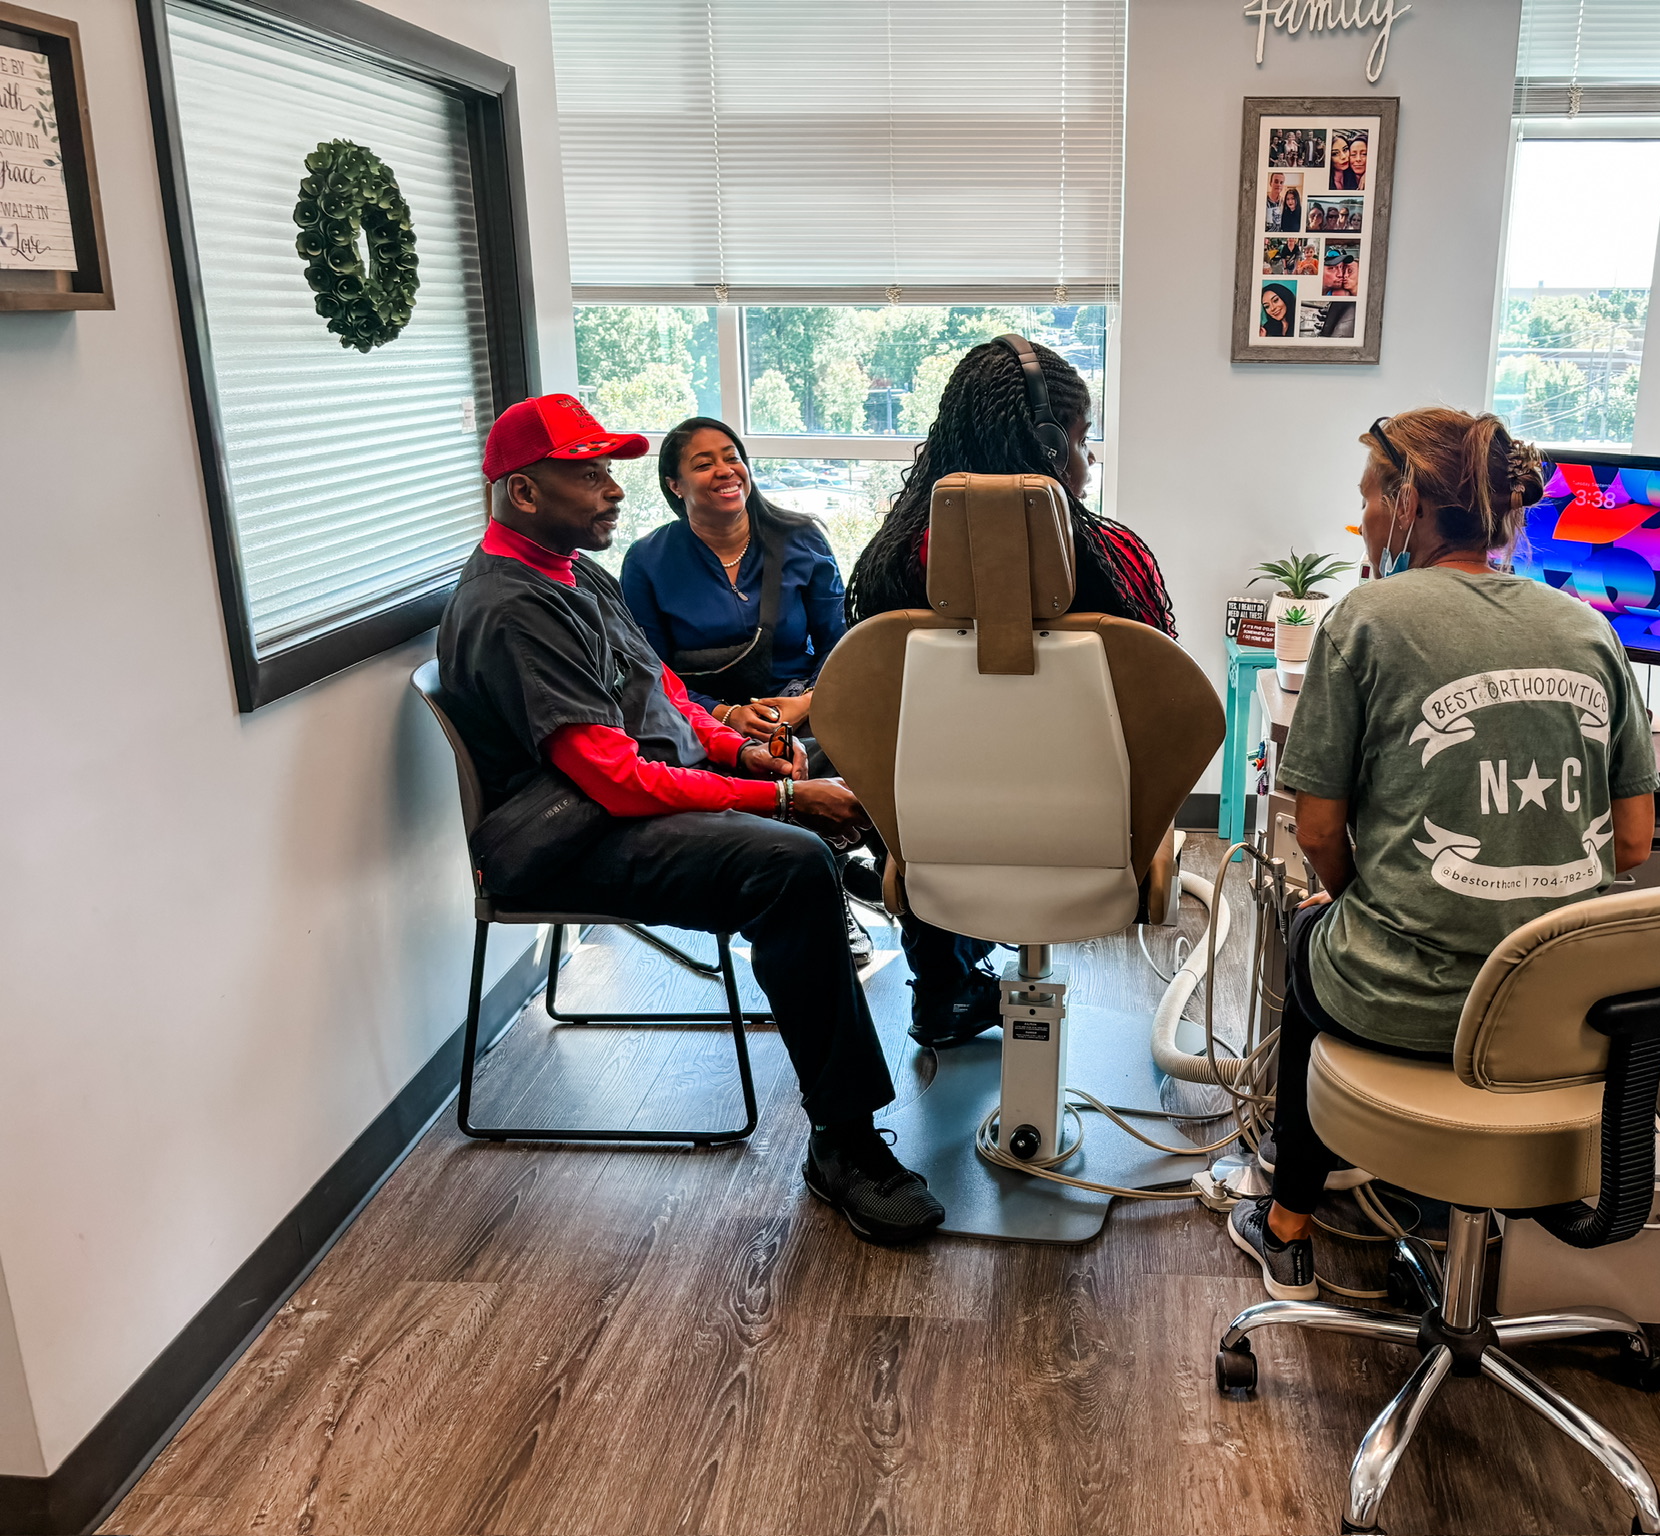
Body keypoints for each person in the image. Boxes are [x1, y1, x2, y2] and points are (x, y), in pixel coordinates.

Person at [436, 393, 945, 1246]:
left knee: (838, 808)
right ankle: (845, 1146)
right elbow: (617, 782)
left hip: (615, 804)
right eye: (589, 472)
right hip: (565, 839)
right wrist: (784, 799)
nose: (613, 488)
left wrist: (740, 753)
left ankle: (944, 986)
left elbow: (660, 692)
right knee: (790, 867)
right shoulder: (513, 607)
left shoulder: (569, 567)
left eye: (611, 468)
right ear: (524, 493)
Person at [1225, 407, 1660, 1301]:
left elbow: (1314, 832)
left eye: (1369, 503)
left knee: (1311, 935)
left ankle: (1288, 1223)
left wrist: (1350, 899)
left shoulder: (1369, 619)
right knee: (1330, 930)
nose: (1364, 525)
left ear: (1409, 498)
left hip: (1407, 1006)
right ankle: (1438, 1209)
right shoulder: (1590, 632)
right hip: (1558, 1020)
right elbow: (1638, 841)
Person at [846, 338, 1177, 1049]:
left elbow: (875, 730)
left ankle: (944, 990)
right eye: (1083, 440)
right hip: (1095, 843)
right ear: (1052, 447)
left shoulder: (890, 568)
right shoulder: (1116, 565)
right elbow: (1161, 719)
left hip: (935, 855)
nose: (1086, 460)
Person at [619, 416, 875, 961]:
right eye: (703, 462)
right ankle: (829, 889)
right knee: (791, 766)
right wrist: (726, 714)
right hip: (704, 724)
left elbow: (842, 643)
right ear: (674, 485)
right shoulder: (647, 561)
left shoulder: (800, 537)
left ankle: (867, 895)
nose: (724, 470)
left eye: (731, 455)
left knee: (831, 750)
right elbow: (649, 673)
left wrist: (808, 703)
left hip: (802, 704)